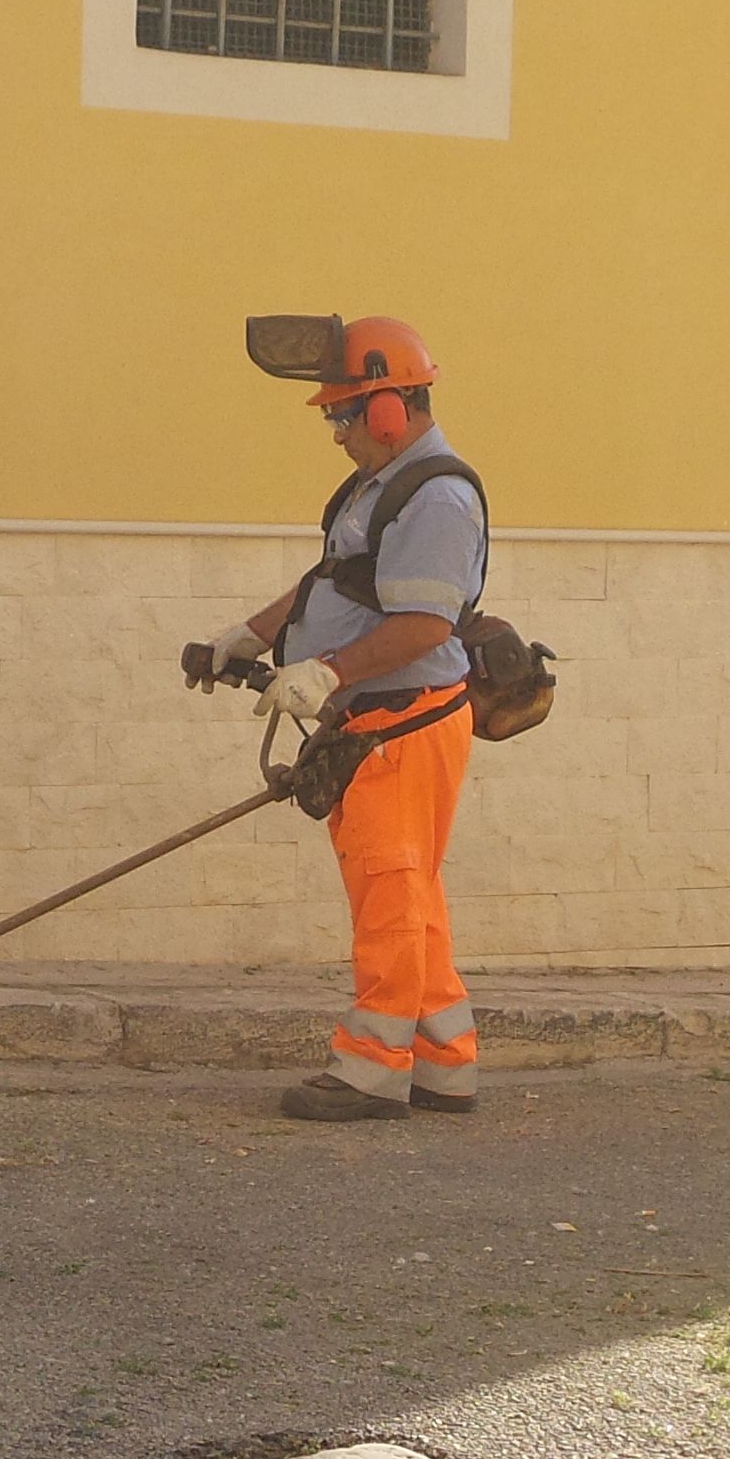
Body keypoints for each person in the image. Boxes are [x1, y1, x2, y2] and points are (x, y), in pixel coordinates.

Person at [196, 317, 487, 1122]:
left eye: (344, 414)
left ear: (390, 408)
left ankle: (370, 1067)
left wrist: (327, 672)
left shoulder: (438, 498)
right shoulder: (379, 487)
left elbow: (426, 626)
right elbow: (333, 581)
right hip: (378, 723)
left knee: (389, 893)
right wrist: (247, 638)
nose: (336, 431)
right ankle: (442, 1061)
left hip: (403, 724)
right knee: (411, 894)